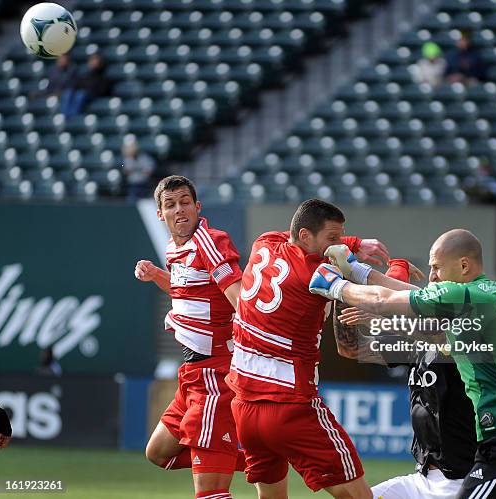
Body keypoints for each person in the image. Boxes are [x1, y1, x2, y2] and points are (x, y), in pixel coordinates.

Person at [310, 229, 496, 498]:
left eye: (437, 268)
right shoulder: (490, 297)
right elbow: (358, 341)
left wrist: (336, 286)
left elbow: (386, 301)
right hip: (459, 462)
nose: (432, 277)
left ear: (463, 265)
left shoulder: (465, 303)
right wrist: (354, 270)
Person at [227, 199, 390, 499]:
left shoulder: (264, 242)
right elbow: (373, 295)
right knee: (358, 496)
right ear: (305, 236)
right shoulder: (316, 273)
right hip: (290, 406)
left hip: (245, 409)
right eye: (332, 239)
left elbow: (284, 234)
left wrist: (351, 242)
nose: (337, 247)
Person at [134, 175, 245, 499]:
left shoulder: (210, 241)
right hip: (192, 377)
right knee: (158, 453)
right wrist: (157, 275)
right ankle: (257, 462)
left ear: (197, 207)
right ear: (160, 214)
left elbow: (238, 298)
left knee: (209, 493)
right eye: (170, 205)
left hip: (215, 375)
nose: (179, 210)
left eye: (185, 202)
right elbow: (188, 291)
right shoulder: (174, 248)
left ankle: (245, 462)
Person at [332, 259, 477, 499]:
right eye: (430, 269)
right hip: (420, 480)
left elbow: (436, 333)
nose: (432, 277)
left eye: (438, 269)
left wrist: (378, 312)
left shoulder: (464, 326)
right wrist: (341, 289)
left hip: (461, 481)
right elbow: (351, 348)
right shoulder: (412, 345)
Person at [60, 53, 111, 118]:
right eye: (92, 60)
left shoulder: (103, 77)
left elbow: (103, 90)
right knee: (68, 93)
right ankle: (64, 116)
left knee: (80, 95)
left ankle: (73, 118)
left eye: (96, 60)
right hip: (83, 93)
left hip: (93, 95)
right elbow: (77, 85)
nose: (94, 62)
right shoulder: (86, 75)